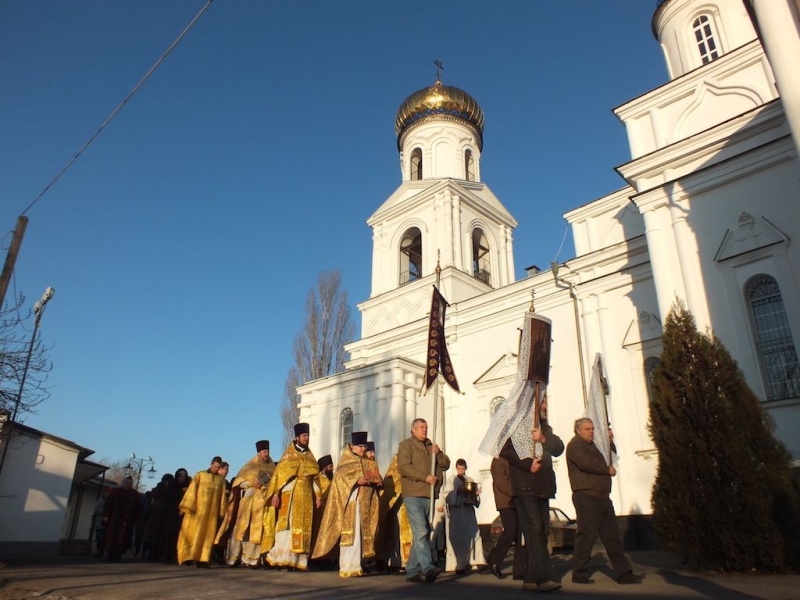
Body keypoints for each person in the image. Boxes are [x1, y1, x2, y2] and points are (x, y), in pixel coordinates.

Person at [566, 418, 644, 585]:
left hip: (602, 496)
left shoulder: (593, 445)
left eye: (592, 428)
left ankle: (625, 574)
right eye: (587, 428)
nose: (591, 431)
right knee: (586, 536)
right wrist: (606, 470)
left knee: (612, 537)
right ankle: (579, 573)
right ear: (578, 430)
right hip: (586, 496)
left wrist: (610, 442)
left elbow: (609, 457)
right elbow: (587, 464)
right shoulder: (575, 445)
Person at [500, 400, 563, 593]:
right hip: (525, 485)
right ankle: (543, 577)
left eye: (545, 403)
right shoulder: (515, 425)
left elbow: (558, 448)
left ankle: (530, 578)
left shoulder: (545, 428)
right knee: (534, 527)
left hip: (542, 487)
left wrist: (543, 438)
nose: (545, 406)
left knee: (541, 530)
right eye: (541, 403)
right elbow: (505, 450)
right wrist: (527, 464)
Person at [312, 431, 381, 577]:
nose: (363, 449)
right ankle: (348, 566)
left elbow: (373, 476)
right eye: (361, 446)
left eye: (364, 446)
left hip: (364, 504)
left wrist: (376, 481)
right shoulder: (346, 460)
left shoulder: (367, 461)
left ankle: (359, 564)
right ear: (353, 446)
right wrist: (356, 481)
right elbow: (340, 479)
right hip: (351, 503)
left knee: (361, 534)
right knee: (352, 534)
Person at [397, 418, 450, 584]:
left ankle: (412, 570)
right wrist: (424, 477)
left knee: (423, 531)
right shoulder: (406, 445)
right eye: (421, 427)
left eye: (426, 427)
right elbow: (404, 467)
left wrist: (438, 452)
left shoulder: (430, 446)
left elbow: (446, 464)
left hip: (429, 495)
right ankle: (427, 567)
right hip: (413, 494)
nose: (425, 430)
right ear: (413, 429)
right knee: (421, 531)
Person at [264, 423, 320, 570]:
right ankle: (282, 559)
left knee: (303, 528)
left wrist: (318, 496)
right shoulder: (288, 456)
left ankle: (298, 561)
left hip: (306, 497)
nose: (306, 438)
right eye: (304, 436)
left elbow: (314, 479)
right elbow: (280, 478)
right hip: (291, 496)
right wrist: (276, 495)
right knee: (287, 529)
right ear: (297, 437)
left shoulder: (310, 456)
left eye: (307, 436)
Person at [227, 440, 276, 566]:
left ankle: (254, 558)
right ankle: (236, 557)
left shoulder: (272, 466)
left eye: (268, 451)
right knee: (244, 529)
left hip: (264, 502)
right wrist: (251, 484)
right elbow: (239, 482)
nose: (266, 454)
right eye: (264, 452)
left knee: (260, 530)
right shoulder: (250, 466)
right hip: (249, 501)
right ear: (259, 453)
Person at [177, 459, 228, 567]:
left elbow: (223, 497)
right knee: (193, 534)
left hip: (211, 514)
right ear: (211, 464)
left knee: (207, 536)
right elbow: (192, 491)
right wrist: (188, 506)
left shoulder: (221, 481)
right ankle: (189, 556)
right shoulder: (200, 475)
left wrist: (222, 511)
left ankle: (203, 560)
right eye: (215, 466)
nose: (217, 469)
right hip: (197, 512)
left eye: (219, 467)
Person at [442, 458, 486, 574]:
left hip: (468, 512)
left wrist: (475, 495)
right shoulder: (452, 480)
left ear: (465, 468)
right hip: (457, 513)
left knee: (475, 534)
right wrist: (458, 491)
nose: (461, 471)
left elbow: (475, 499)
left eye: (463, 469)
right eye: (459, 468)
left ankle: (479, 561)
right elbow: (447, 496)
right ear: (456, 468)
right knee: (459, 538)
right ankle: (460, 564)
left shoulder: (469, 480)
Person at [486, 456, 525, 580]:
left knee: (520, 534)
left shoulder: (513, 458)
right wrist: (516, 492)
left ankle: (519, 570)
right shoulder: (498, 460)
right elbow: (501, 482)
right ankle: (494, 558)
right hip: (505, 502)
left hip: (516, 501)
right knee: (511, 531)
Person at [103, 476, 141, 562]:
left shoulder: (134, 494)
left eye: (129, 483)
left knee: (123, 538)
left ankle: (118, 554)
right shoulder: (116, 492)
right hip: (114, 518)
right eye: (126, 483)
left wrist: (137, 519)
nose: (127, 485)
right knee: (112, 536)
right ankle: (110, 554)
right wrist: (106, 515)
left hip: (127, 520)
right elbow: (108, 504)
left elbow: (137, 508)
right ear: (123, 483)